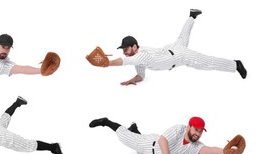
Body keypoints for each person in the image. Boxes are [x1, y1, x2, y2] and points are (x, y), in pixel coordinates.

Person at [106, 9, 247, 85]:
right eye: (123, 50)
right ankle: (192, 16)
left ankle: (236, 65)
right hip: (172, 49)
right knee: (183, 36)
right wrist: (132, 80)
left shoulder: (140, 55)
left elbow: (125, 61)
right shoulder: (138, 57)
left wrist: (107, 63)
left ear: (135, 46)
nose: (124, 52)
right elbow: (141, 75)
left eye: (126, 49)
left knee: (207, 63)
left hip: (180, 56)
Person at [89, 116, 223, 154]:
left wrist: (225, 151)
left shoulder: (195, 145)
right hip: (149, 145)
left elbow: (209, 149)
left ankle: (134, 130)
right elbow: (162, 140)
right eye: (196, 129)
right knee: (125, 137)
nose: (198, 133)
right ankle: (106, 122)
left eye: (200, 131)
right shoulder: (179, 129)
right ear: (189, 126)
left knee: (136, 149)